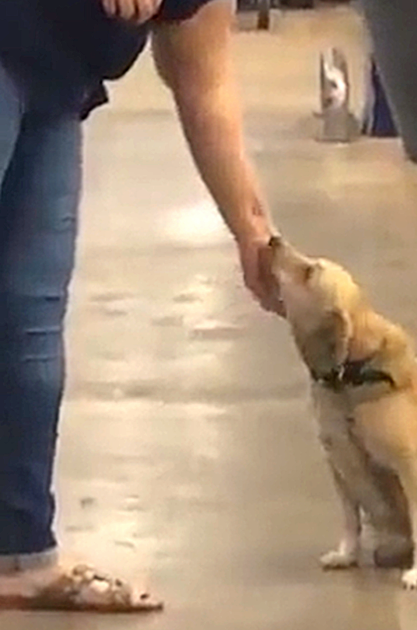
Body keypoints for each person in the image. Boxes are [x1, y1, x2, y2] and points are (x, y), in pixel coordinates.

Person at [0, 0, 281, 612]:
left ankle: (17, 554)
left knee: (29, 323)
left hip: (49, 78)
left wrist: (253, 231)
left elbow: (203, 80)